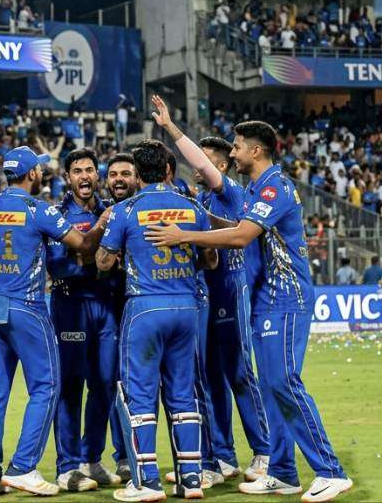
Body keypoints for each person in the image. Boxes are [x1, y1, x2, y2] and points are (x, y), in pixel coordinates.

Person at [146, 121, 353, 502]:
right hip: (265, 299)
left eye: (238, 146)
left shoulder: (274, 187)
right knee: (274, 388)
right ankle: (283, 472)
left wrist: (185, 235)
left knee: (285, 382)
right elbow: (238, 225)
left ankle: (330, 470)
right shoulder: (256, 189)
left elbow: (241, 236)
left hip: (286, 298)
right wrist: (173, 132)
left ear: (255, 151)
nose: (234, 152)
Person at [152, 95, 270, 485]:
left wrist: (170, 127)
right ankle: (221, 457)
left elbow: (222, 229)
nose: (195, 165)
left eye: (206, 160)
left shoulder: (230, 194)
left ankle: (265, 451)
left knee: (238, 373)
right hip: (205, 292)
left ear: (220, 165)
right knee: (209, 377)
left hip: (231, 289)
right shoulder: (199, 199)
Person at [0, 146, 105, 497]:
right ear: (32, 174)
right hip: (26, 307)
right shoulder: (37, 210)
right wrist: (103, 223)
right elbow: (82, 245)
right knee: (47, 386)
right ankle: (23, 466)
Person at [96, 139, 218, 502]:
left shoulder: (125, 211)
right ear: (168, 170)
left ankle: (146, 481)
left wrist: (126, 257)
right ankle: (191, 479)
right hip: (186, 308)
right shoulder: (193, 207)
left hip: (145, 308)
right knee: (184, 393)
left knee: (140, 395)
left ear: (137, 173)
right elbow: (210, 259)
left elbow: (103, 262)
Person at [47, 149, 131, 492]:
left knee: (105, 384)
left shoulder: (108, 212)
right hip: (71, 304)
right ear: (68, 177)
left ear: (97, 177)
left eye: (90, 170)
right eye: (78, 171)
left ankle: (91, 460)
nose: (85, 176)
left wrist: (86, 256)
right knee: (70, 387)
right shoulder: (57, 215)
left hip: (105, 305)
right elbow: (57, 264)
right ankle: (67, 467)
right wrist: (92, 262)